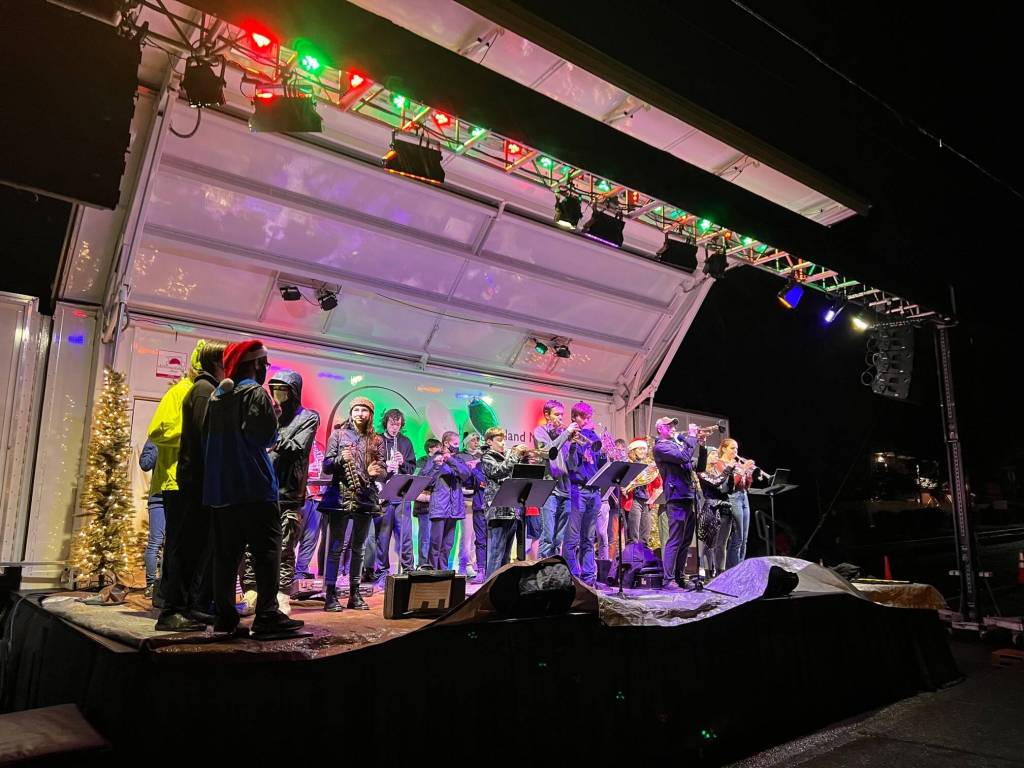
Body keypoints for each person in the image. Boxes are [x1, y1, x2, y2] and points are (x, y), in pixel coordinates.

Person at [204, 340, 302, 637]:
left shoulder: (218, 395)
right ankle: (267, 616)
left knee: (226, 557)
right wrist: (273, 416)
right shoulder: (255, 393)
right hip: (254, 487)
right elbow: (264, 437)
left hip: (222, 491)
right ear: (256, 364)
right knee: (266, 552)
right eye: (264, 364)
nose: (264, 370)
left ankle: (224, 619)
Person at [239, 370, 319, 615]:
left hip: (289, 492)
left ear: (294, 392)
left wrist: (272, 436)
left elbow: (298, 448)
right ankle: (251, 591)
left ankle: (282, 594)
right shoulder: (268, 412)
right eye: (274, 389)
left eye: (283, 389)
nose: (278, 394)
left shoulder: (308, 417)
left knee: (285, 547)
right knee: (251, 545)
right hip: (261, 489)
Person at [147, 342, 200, 632]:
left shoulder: (200, 392)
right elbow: (158, 431)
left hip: (190, 481)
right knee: (177, 546)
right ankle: (171, 608)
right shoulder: (180, 392)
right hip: (176, 480)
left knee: (185, 546)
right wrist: (194, 434)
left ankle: (180, 604)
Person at [176, 339, 228, 624]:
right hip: (198, 483)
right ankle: (176, 610)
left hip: (198, 481)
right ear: (218, 362)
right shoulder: (205, 391)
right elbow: (205, 437)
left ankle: (189, 607)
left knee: (196, 546)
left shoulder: (205, 389)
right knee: (191, 547)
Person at [319, 397, 385, 611]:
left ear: (370, 414)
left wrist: (378, 471)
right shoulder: (338, 434)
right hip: (340, 496)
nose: (359, 413)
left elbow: (383, 468)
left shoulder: (377, 439)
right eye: (356, 410)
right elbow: (327, 466)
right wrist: (340, 459)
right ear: (351, 412)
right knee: (336, 547)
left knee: (360, 547)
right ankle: (330, 593)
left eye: (363, 410)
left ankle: (355, 594)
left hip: (365, 497)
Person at [653, 418, 706, 590]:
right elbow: (684, 457)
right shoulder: (660, 447)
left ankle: (680, 577)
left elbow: (699, 467)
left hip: (688, 495)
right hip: (676, 497)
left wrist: (702, 446)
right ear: (660, 429)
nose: (673, 427)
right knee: (675, 539)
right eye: (668, 425)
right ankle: (668, 580)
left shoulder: (677, 445)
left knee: (685, 541)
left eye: (674, 425)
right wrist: (692, 437)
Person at [563, 402, 607, 587]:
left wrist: (604, 454)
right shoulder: (570, 438)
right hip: (578, 490)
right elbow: (571, 465)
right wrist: (574, 445)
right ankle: (573, 578)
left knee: (588, 539)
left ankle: (589, 579)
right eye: (584, 417)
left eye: (589, 417)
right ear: (575, 418)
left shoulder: (593, 437)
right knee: (572, 539)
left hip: (594, 491)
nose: (588, 420)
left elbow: (600, 467)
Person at [373, 408, 418, 577]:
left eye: (398, 424)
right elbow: (370, 465)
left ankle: (408, 570)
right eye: (392, 424)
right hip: (382, 494)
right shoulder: (376, 440)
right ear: (386, 423)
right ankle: (382, 572)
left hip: (401, 495)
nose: (394, 428)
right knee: (382, 536)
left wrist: (403, 462)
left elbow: (411, 469)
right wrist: (385, 465)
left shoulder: (405, 442)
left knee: (405, 535)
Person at [419, 431, 472, 570]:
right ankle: (432, 572)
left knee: (448, 544)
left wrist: (450, 460)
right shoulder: (435, 458)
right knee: (435, 543)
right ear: (446, 443)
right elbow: (425, 480)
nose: (457, 446)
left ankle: (443, 572)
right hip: (439, 507)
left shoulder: (458, 459)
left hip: (454, 508)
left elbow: (466, 475)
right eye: (455, 443)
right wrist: (437, 466)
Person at [480, 427, 528, 576]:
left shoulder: (508, 456)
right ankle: (489, 585)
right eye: (499, 440)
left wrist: (523, 459)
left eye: (504, 440)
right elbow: (498, 471)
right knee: (496, 552)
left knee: (506, 555)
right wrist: (514, 455)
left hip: (512, 509)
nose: (503, 443)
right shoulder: (487, 457)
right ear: (489, 442)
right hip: (498, 510)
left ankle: (501, 584)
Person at [532, 400, 577, 559]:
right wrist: (565, 435)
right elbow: (547, 451)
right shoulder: (540, 431)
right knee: (548, 537)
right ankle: (542, 570)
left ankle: (555, 569)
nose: (560, 418)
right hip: (549, 490)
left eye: (562, 415)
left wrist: (572, 446)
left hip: (566, 489)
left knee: (559, 539)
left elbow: (572, 465)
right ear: (547, 415)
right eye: (557, 414)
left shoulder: (563, 435)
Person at [717, 438, 755, 570]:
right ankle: (733, 571)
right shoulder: (721, 464)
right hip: (733, 497)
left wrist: (748, 474)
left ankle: (741, 570)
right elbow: (729, 485)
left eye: (737, 449)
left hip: (744, 496)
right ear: (724, 449)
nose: (735, 451)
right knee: (737, 538)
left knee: (744, 539)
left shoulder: (738, 464)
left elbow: (746, 485)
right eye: (732, 448)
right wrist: (743, 469)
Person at [620, 438, 661, 545]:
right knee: (633, 535)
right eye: (640, 449)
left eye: (644, 449)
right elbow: (621, 482)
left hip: (646, 501)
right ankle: (633, 555)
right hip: (633, 500)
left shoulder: (648, 465)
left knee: (645, 535)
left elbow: (657, 485)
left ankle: (643, 555)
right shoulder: (628, 464)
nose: (643, 451)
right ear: (633, 450)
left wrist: (655, 473)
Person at [138, 440, 164, 602]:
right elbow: (145, 464)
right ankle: (151, 585)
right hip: (159, 497)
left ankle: (165, 586)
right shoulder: (156, 437)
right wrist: (160, 443)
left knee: (173, 545)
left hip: (179, 496)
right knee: (155, 542)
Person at [458, 432, 486, 580]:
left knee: (477, 535)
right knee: (467, 535)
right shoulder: (460, 456)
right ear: (467, 442)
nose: (476, 443)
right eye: (473, 440)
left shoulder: (482, 457)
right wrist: (471, 467)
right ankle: (464, 564)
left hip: (480, 499)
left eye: (478, 440)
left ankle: (474, 563)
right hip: (466, 499)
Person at [412, 438, 441, 568]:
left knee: (435, 538)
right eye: (437, 447)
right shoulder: (422, 461)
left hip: (438, 505)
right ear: (430, 448)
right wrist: (432, 461)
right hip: (423, 505)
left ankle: (433, 564)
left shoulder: (441, 462)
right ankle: (422, 564)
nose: (440, 450)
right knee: (425, 537)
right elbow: (420, 478)